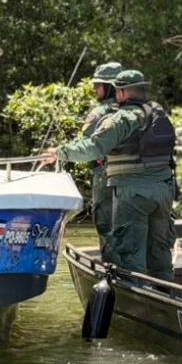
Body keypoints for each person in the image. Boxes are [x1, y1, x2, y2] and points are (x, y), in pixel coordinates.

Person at [44, 70, 178, 280]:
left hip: (133, 194)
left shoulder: (123, 118)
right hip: (163, 191)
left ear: (122, 92)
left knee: (130, 256)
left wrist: (60, 153)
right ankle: (169, 300)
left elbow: (95, 147)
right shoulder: (158, 112)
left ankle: (135, 303)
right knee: (160, 253)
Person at [80, 61, 124, 263]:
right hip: (136, 177)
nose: (95, 89)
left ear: (110, 87)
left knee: (107, 225)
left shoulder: (99, 113)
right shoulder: (140, 110)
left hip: (106, 177)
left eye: (99, 85)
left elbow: (87, 142)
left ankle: (113, 271)